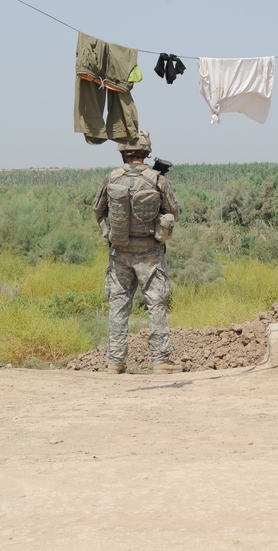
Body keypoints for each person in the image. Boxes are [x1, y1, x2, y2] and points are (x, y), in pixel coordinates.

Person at [93, 130, 183, 374]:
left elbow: (98, 210)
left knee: (119, 304)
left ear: (123, 152)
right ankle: (161, 361)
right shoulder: (158, 180)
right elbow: (174, 212)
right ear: (146, 152)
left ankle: (115, 362)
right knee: (156, 304)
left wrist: (110, 235)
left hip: (119, 251)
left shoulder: (111, 178)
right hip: (150, 253)